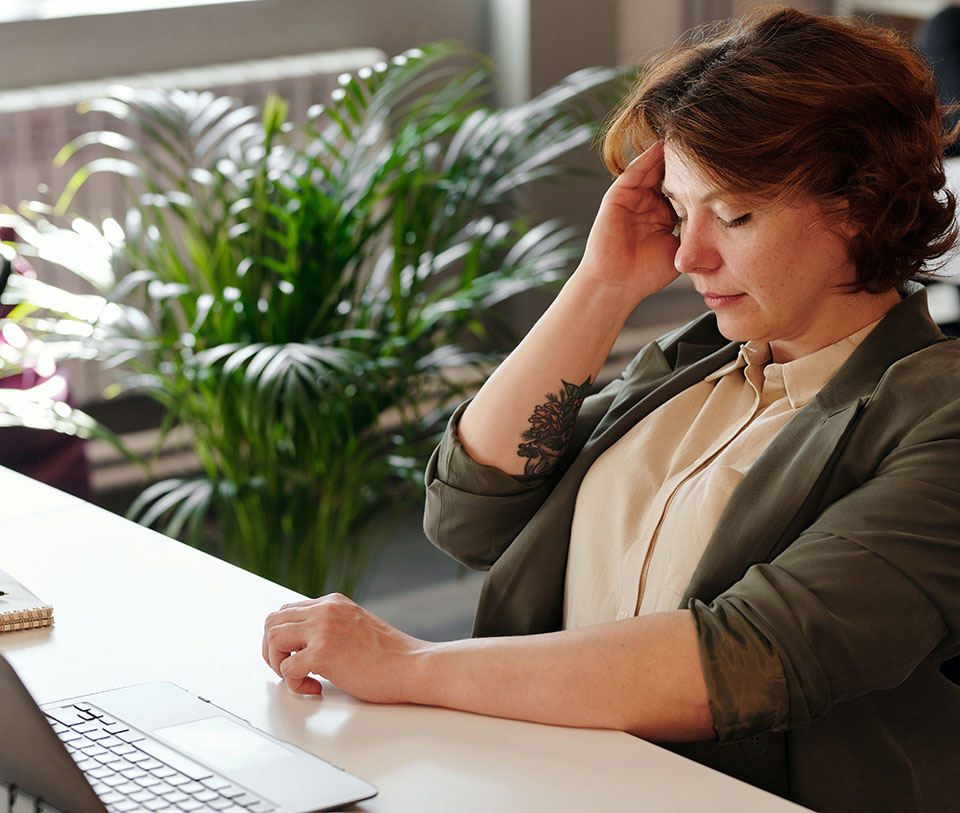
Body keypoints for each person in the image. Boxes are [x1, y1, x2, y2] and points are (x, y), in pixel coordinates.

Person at [262, 8, 960, 811]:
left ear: (862, 205)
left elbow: (750, 657)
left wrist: (407, 665)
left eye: (733, 214)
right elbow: (468, 515)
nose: (689, 256)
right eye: (678, 208)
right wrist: (601, 286)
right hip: (542, 777)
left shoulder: (936, 412)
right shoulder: (695, 365)